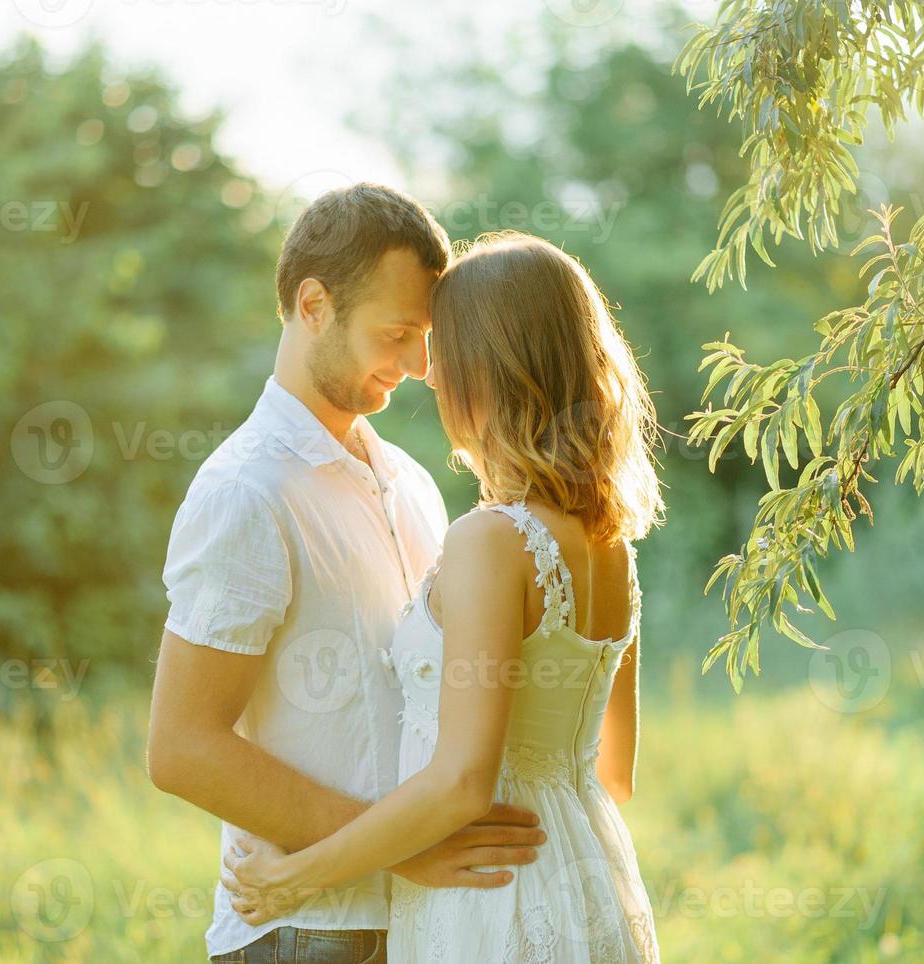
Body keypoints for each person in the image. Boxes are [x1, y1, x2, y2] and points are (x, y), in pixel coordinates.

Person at [224, 231, 665, 963]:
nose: (428, 375)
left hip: (493, 900)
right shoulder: (610, 544)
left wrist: (293, 878)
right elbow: (612, 773)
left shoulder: (491, 541)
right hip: (591, 886)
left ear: (493, 368)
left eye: (446, 351)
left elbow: (461, 782)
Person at [146, 186, 549, 964]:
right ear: (312, 305)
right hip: (310, 932)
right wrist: (399, 849)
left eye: (424, 337)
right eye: (396, 333)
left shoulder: (413, 483)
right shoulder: (246, 492)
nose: (418, 365)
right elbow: (182, 747)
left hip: (431, 926)